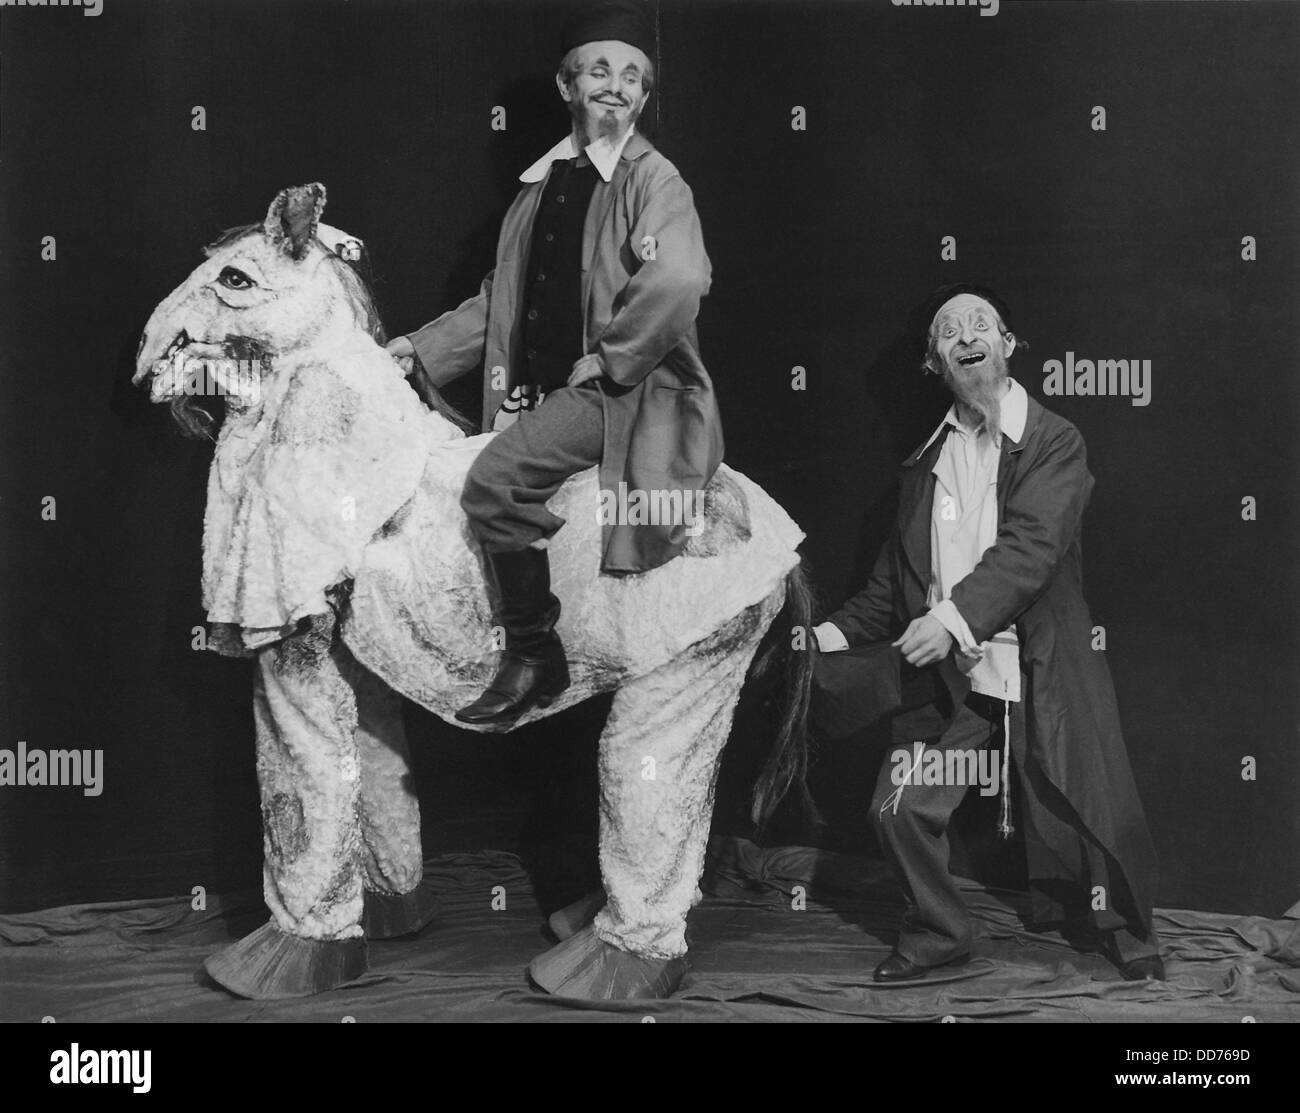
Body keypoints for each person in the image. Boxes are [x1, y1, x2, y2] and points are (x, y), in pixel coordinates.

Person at [813, 284, 1164, 983]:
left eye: (983, 324)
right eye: (950, 330)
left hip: (1039, 663)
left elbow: (1032, 548)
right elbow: (889, 588)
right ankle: (940, 934)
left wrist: (949, 620)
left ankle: (1127, 927)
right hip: (955, 682)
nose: (967, 334)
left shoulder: (1054, 440)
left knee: (1085, 803)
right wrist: (822, 634)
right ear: (933, 362)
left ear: (1007, 345)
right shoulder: (922, 468)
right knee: (899, 805)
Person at [387, 0, 722, 729]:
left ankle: (537, 652)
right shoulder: (541, 186)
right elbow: (497, 301)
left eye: (632, 77)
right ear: (568, 87)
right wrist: (422, 347)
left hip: (620, 391)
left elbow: (680, 279)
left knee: (497, 480)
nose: (617, 86)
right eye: (599, 70)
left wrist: (608, 361)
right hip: (532, 390)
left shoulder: (654, 180)